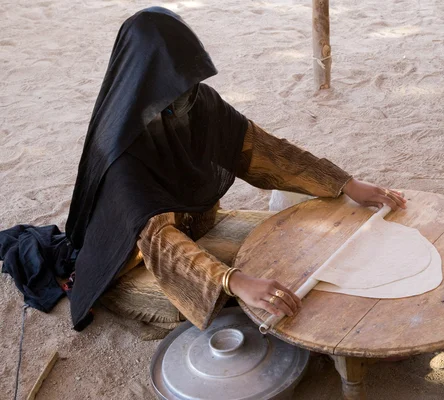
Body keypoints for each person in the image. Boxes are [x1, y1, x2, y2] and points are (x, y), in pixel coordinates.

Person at [2, 7, 406, 332]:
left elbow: (264, 150)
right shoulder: (121, 147)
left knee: (298, 241)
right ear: (146, 84)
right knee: (217, 305)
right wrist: (233, 281)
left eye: (188, 85)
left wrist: (346, 183)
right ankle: (139, 300)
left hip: (194, 227)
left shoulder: (198, 102)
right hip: (134, 256)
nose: (185, 98)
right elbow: (156, 236)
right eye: (173, 91)